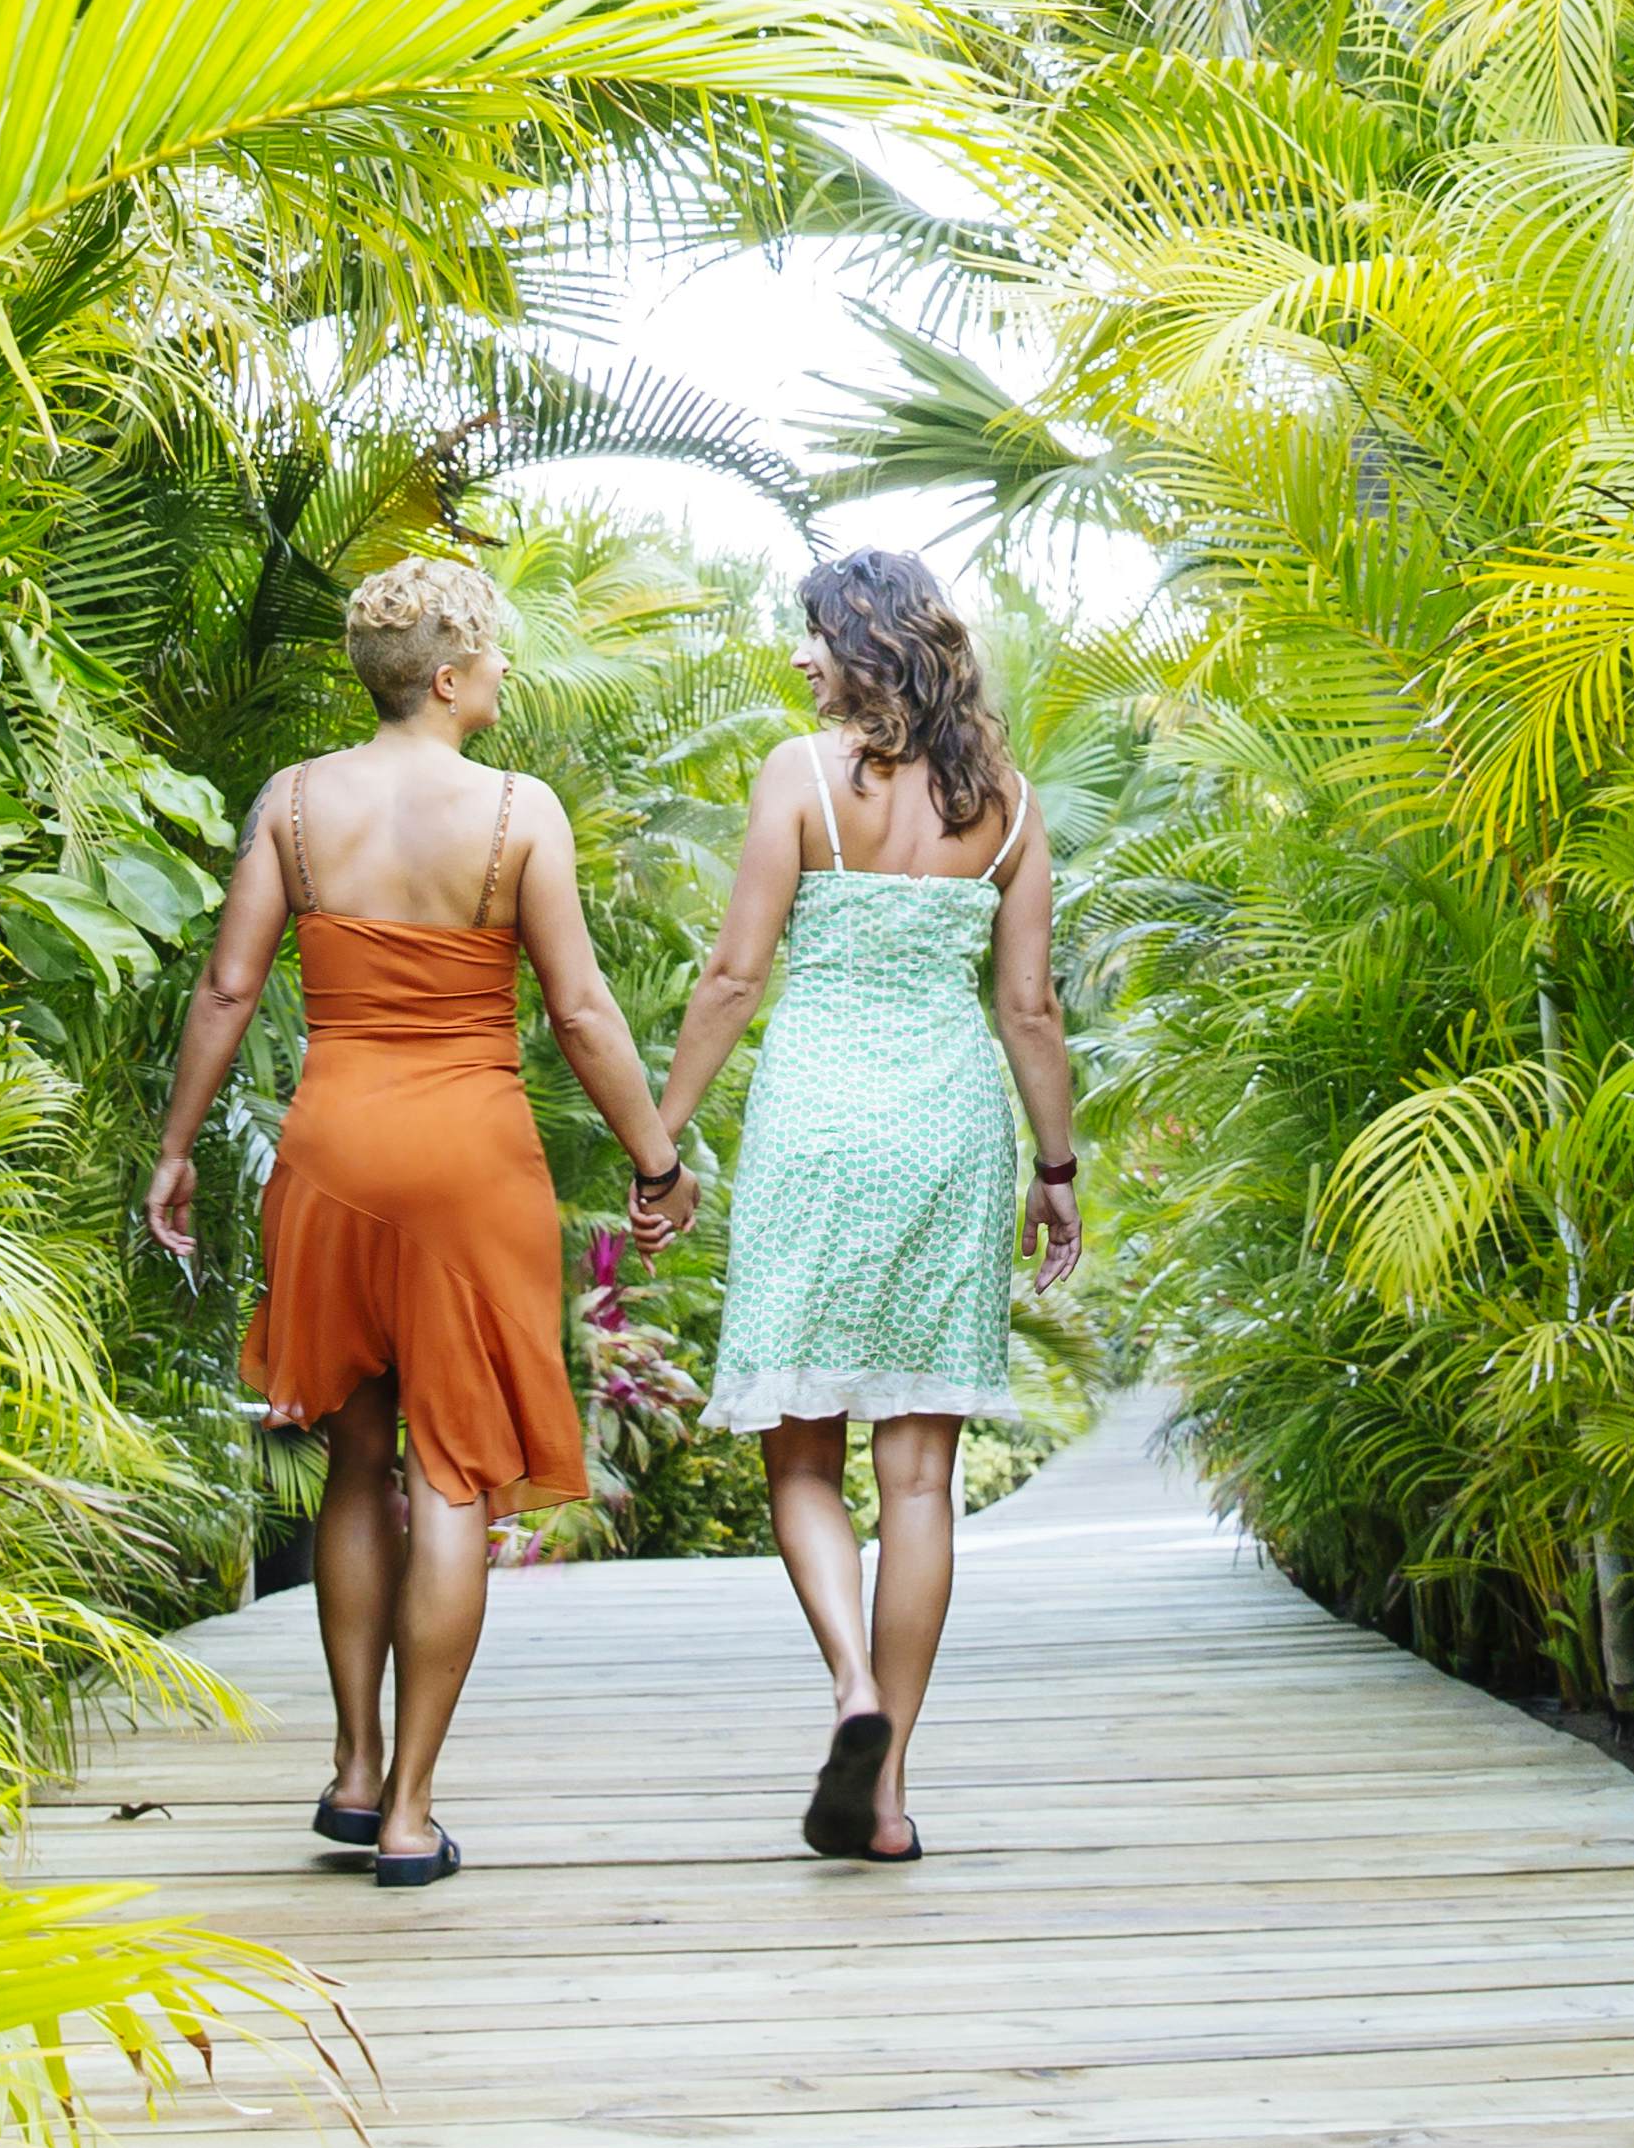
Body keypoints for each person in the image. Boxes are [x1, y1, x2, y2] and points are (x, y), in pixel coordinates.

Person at [146, 555, 689, 1890]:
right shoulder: (517, 813)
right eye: (494, 653)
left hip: (331, 1150)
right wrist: (655, 1156)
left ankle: (346, 1765)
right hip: (469, 1159)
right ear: (447, 678)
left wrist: (175, 1147)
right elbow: (576, 1012)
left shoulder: (291, 803)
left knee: (353, 1456)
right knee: (454, 1471)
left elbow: (226, 990)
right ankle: (409, 1809)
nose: (505, 671)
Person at [656, 547, 1082, 1865]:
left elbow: (732, 976)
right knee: (920, 1474)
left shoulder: (799, 776)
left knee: (799, 1449)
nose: (798, 661)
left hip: (819, 1124)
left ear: (864, 647)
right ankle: (887, 1783)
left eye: (812, 638)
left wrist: (659, 1135)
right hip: (950, 1125)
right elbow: (1027, 1007)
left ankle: (848, 1681)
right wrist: (1055, 1169)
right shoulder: (1004, 801)